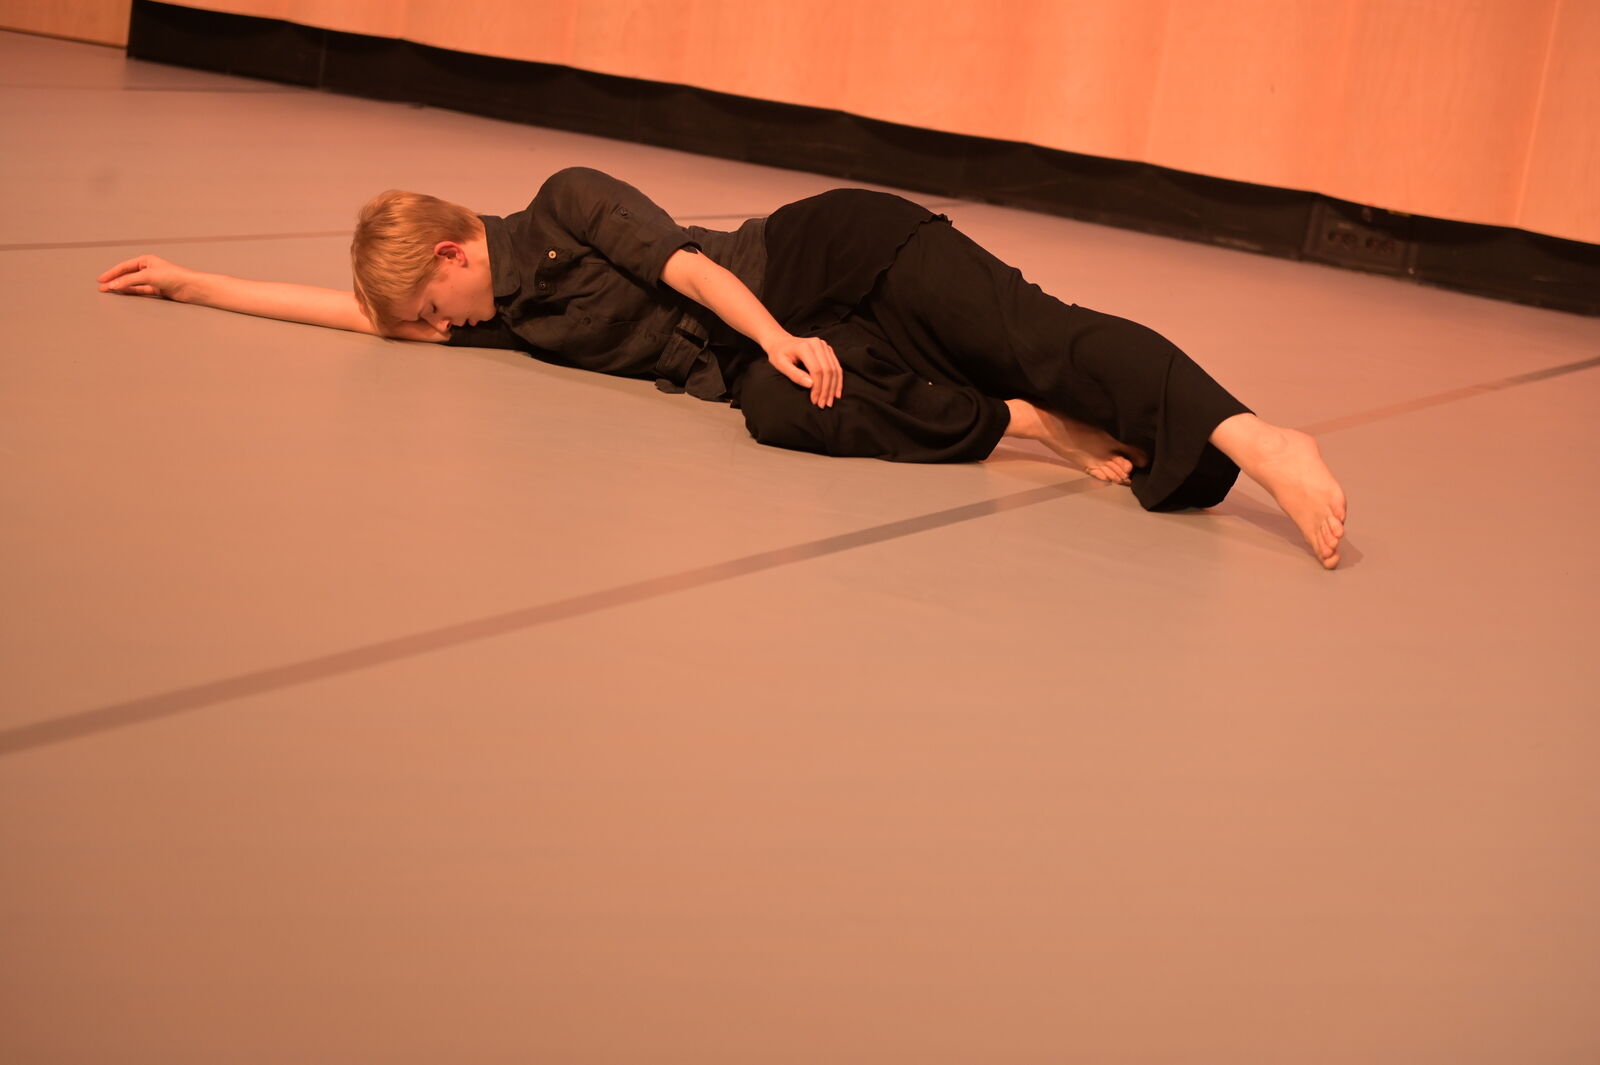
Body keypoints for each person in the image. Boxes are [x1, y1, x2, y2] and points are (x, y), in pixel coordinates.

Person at [98, 167, 1347, 567]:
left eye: (433, 308)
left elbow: (688, 268)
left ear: (451, 251)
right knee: (776, 413)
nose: (435, 332)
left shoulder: (564, 202)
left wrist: (778, 334)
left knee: (1033, 329)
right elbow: (352, 317)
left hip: (815, 259)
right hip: (765, 349)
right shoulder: (499, 310)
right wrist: (195, 283)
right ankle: (1028, 423)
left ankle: (1253, 439)